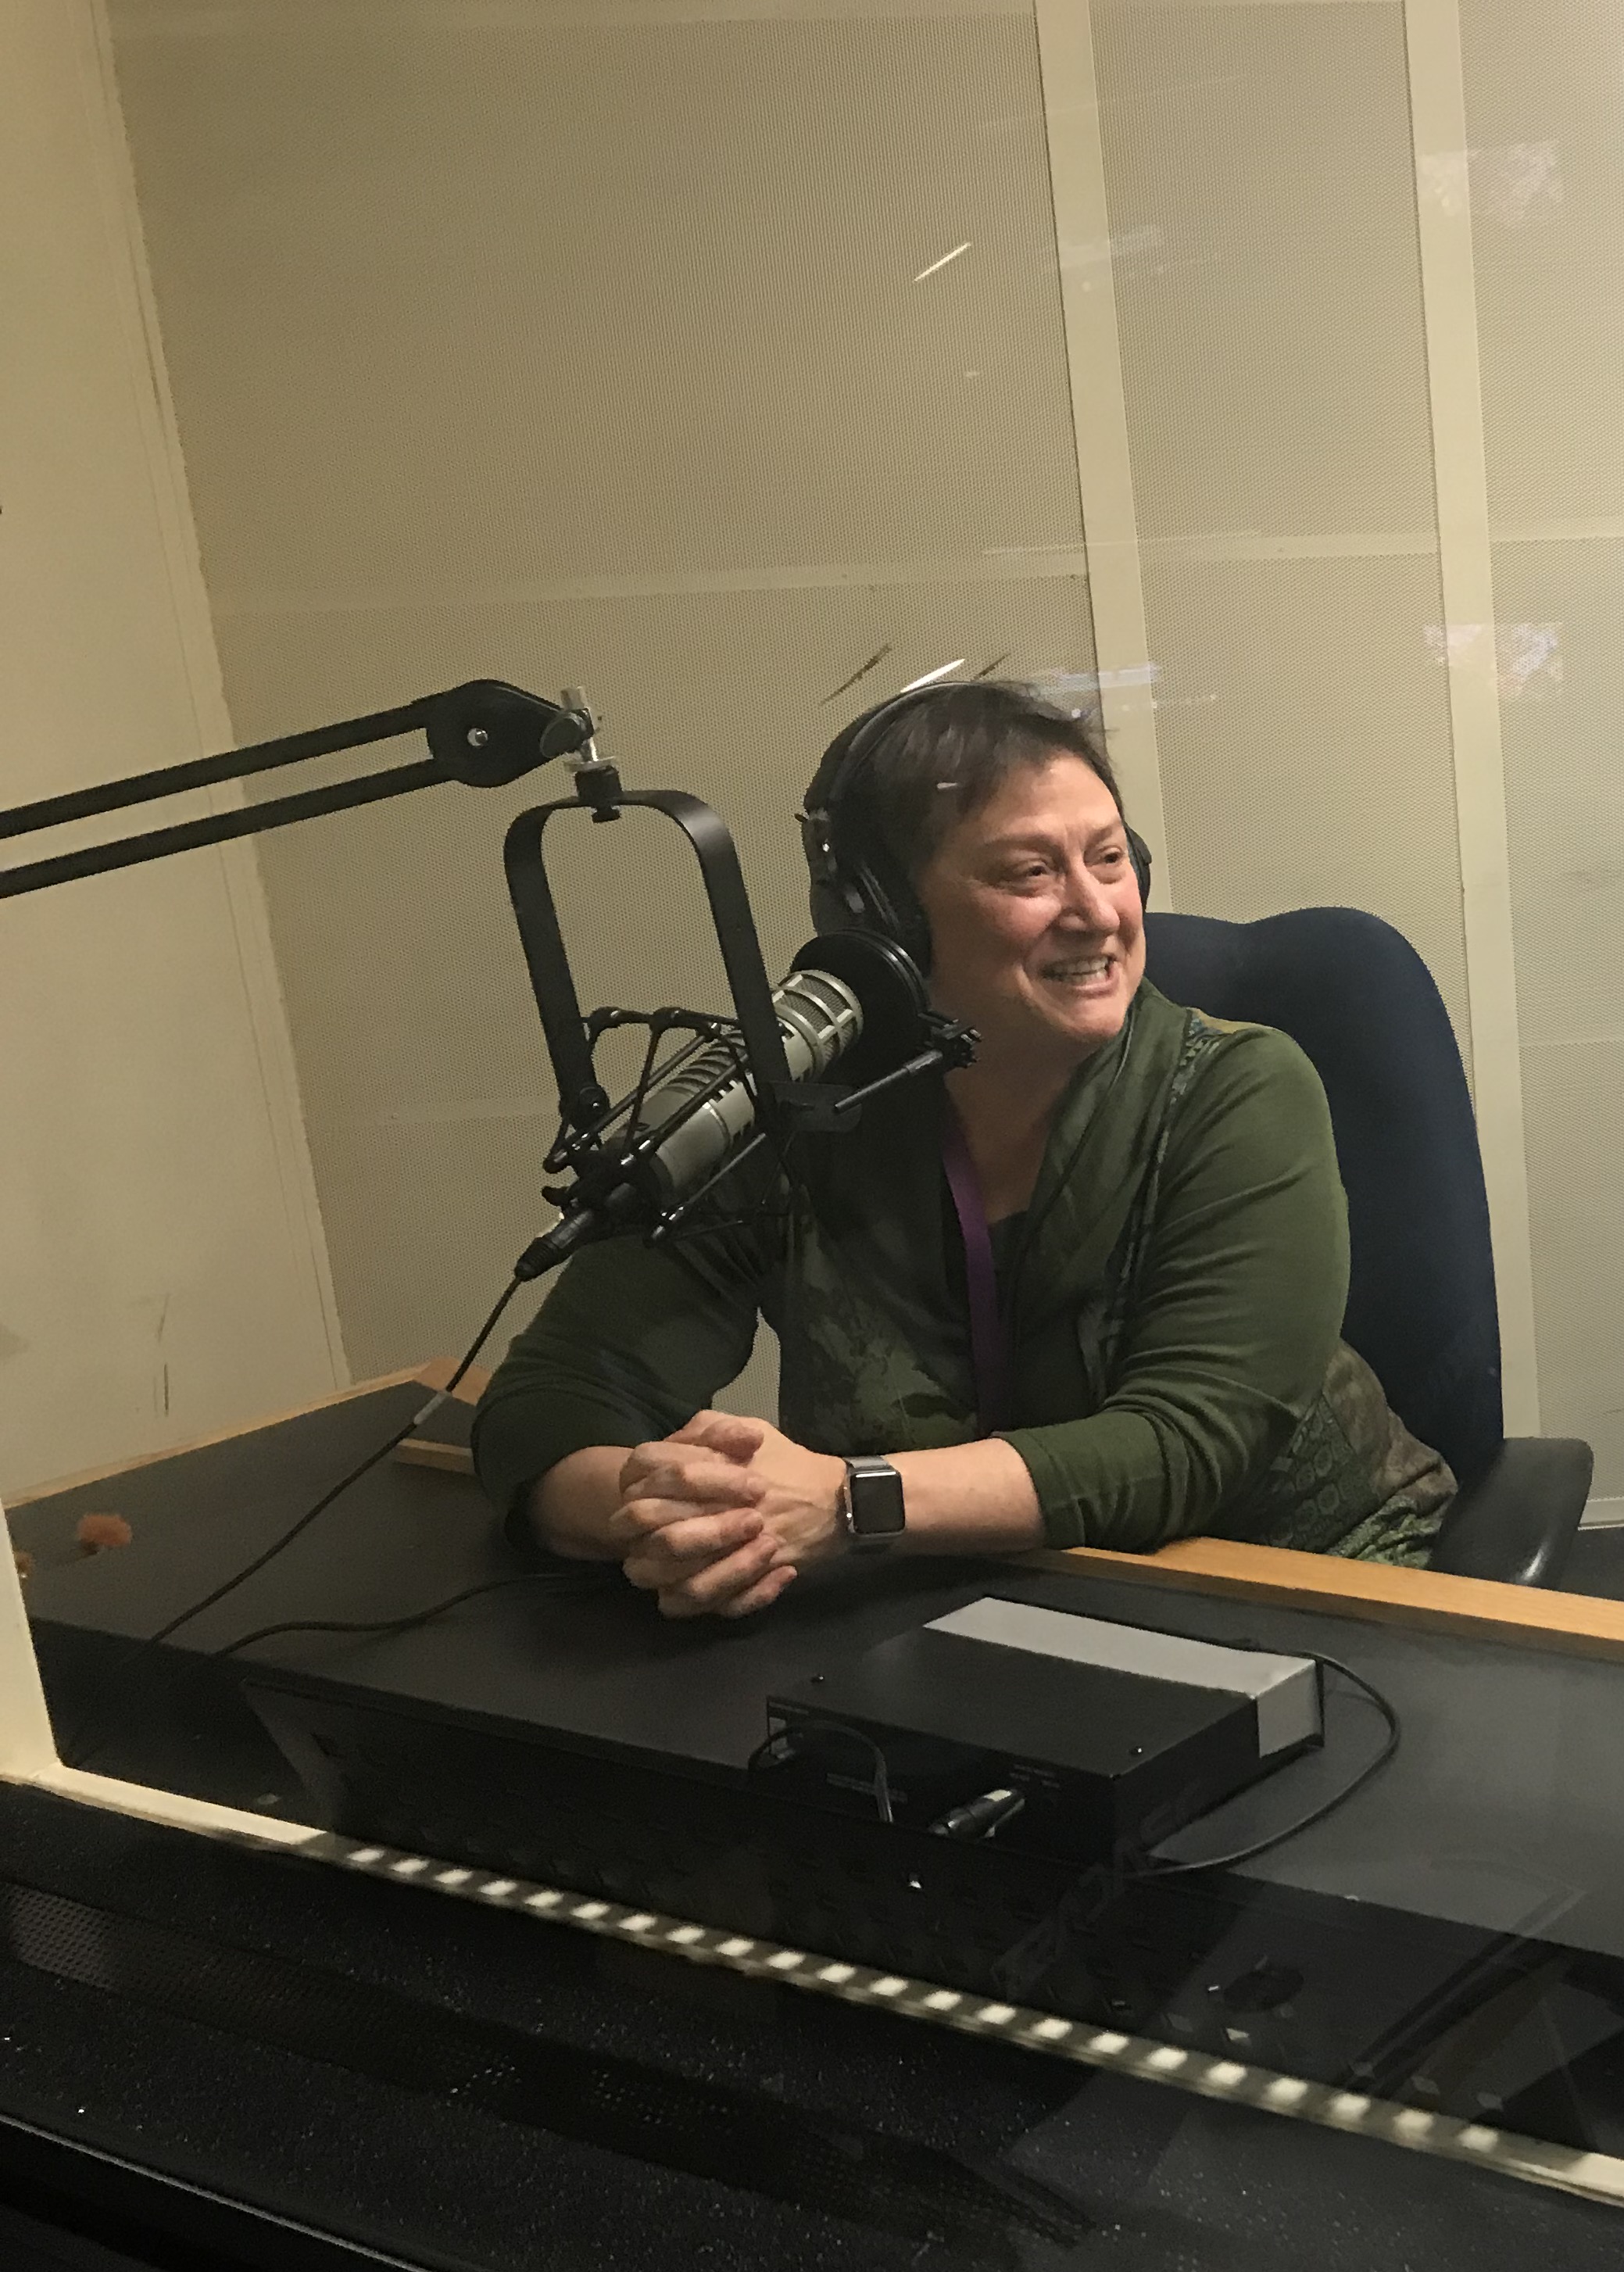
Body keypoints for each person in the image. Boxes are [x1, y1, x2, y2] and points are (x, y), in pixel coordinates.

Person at [472, 680, 1452, 1616]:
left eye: (1110, 860)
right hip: (944, 1605)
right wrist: (675, 1518)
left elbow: (1184, 1445)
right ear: (884, 921)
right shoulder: (789, 1111)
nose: (1097, 910)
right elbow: (553, 1403)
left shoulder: (1239, 1089)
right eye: (1031, 872)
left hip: (1294, 1591)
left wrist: (848, 1503)